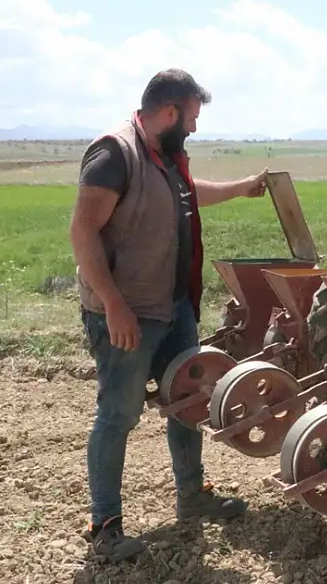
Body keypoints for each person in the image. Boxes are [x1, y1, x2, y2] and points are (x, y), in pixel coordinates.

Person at [69, 68, 267, 561]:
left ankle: (193, 498)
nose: (196, 129)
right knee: (118, 414)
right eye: (193, 117)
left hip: (173, 307)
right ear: (170, 111)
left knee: (190, 400)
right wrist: (114, 305)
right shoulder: (115, 154)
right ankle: (106, 528)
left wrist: (243, 188)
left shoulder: (168, 157)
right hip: (127, 312)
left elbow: (188, 192)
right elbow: (82, 232)